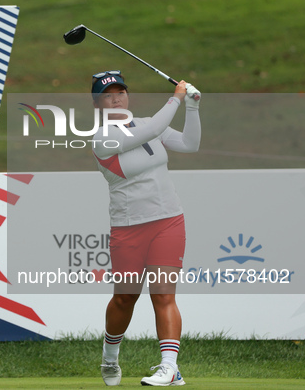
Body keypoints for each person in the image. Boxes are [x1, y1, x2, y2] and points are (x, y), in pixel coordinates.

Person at [90, 70, 201, 386]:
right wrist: (177, 98)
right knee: (125, 297)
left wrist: (192, 108)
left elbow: (190, 144)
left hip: (168, 220)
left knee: (164, 295)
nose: (116, 98)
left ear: (127, 95)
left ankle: (169, 366)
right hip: (128, 227)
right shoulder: (101, 137)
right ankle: (110, 358)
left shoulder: (148, 124)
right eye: (108, 95)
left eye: (120, 92)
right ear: (98, 104)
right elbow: (155, 126)